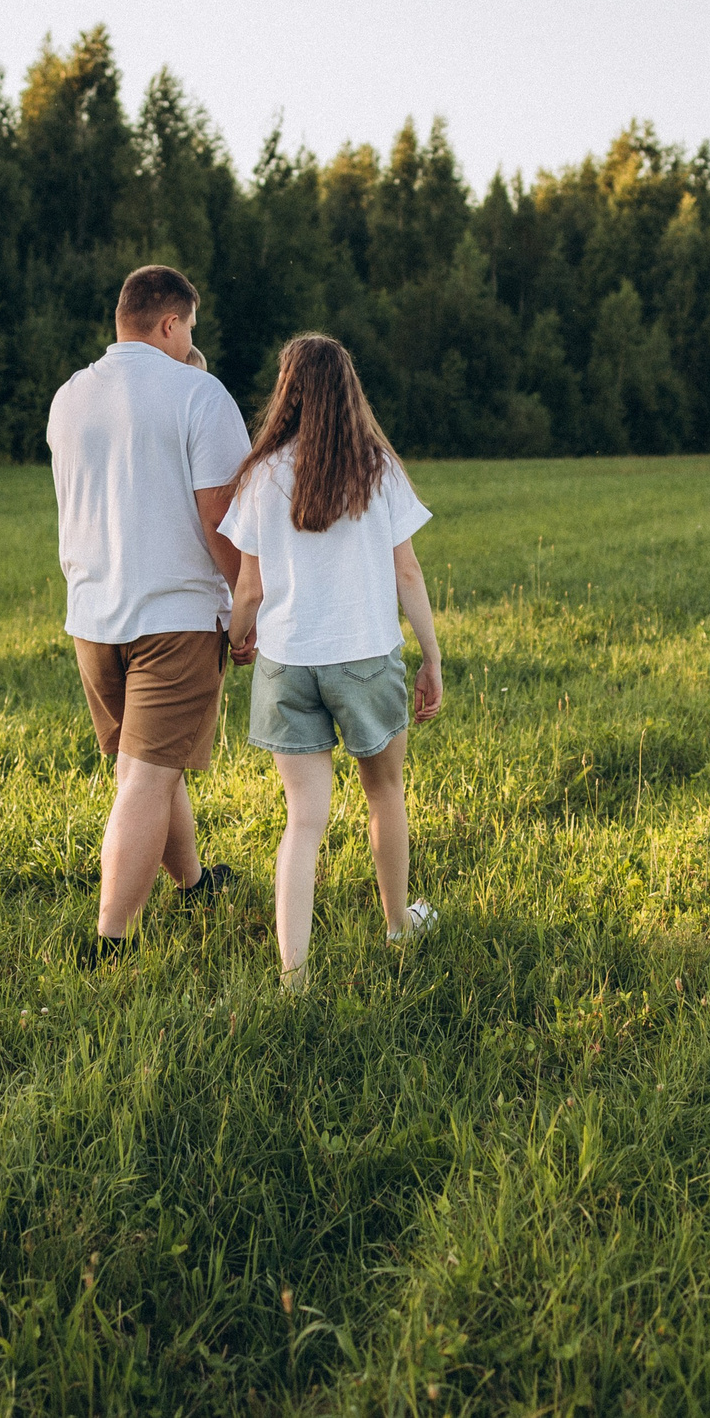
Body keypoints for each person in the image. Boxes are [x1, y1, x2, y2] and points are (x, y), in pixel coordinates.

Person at [217, 334, 445, 991]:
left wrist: (238, 637)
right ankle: (398, 925)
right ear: (350, 391)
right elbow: (406, 571)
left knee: (304, 820)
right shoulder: (379, 469)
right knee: (385, 794)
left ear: (287, 392)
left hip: (288, 663)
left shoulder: (260, 476)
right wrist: (431, 654)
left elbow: (251, 589)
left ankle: (294, 978)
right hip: (366, 658)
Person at [47, 265, 253, 962]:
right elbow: (222, 518)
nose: (190, 337)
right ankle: (111, 941)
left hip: (92, 616)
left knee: (146, 767)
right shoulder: (200, 393)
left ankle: (194, 883)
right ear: (171, 323)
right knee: (145, 776)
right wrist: (247, 607)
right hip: (175, 617)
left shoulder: (70, 396)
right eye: (189, 326)